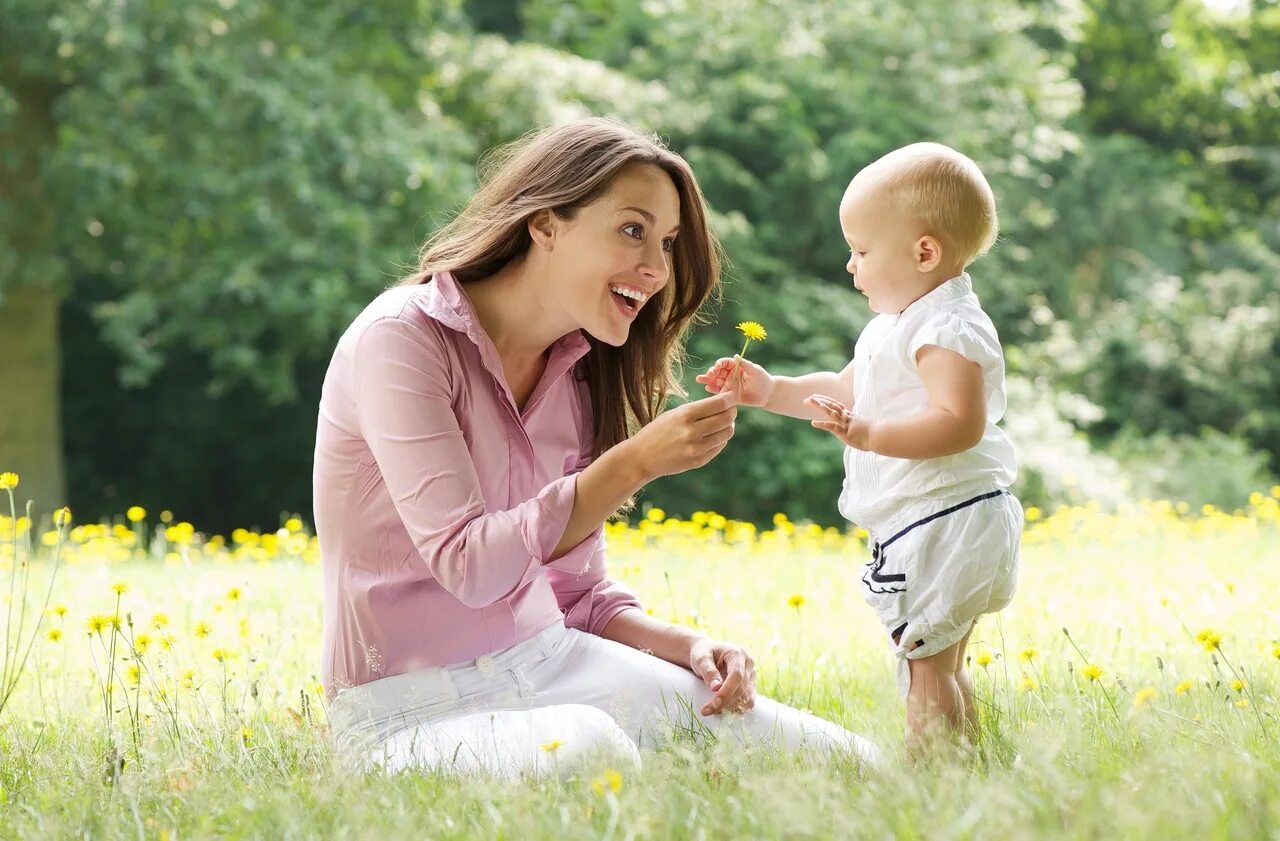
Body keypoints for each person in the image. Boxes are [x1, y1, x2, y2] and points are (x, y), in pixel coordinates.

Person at [313, 118, 879, 778]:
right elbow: (467, 564)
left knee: (847, 764)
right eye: (633, 229)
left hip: (551, 661)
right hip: (407, 710)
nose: (657, 268)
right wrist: (633, 462)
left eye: (666, 242)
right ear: (546, 223)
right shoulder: (401, 340)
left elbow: (580, 598)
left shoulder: (578, 373)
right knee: (589, 749)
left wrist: (690, 646)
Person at [698, 142, 1021, 749]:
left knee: (926, 668)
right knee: (936, 665)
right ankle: (968, 771)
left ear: (924, 252)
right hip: (937, 518)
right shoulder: (896, 325)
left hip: (948, 518)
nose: (851, 265)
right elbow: (847, 390)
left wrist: (869, 433)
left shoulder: (945, 328)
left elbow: (959, 423)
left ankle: (931, 781)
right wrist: (771, 390)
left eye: (862, 251)